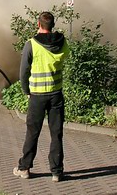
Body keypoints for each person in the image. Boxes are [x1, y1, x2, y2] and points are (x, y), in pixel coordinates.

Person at [12, 11, 70, 182]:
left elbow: (23, 72)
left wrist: (26, 91)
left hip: (37, 96)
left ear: (38, 25)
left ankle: (24, 168)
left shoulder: (31, 44)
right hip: (56, 95)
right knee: (56, 133)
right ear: (52, 25)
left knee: (32, 132)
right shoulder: (62, 42)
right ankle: (57, 172)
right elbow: (65, 55)